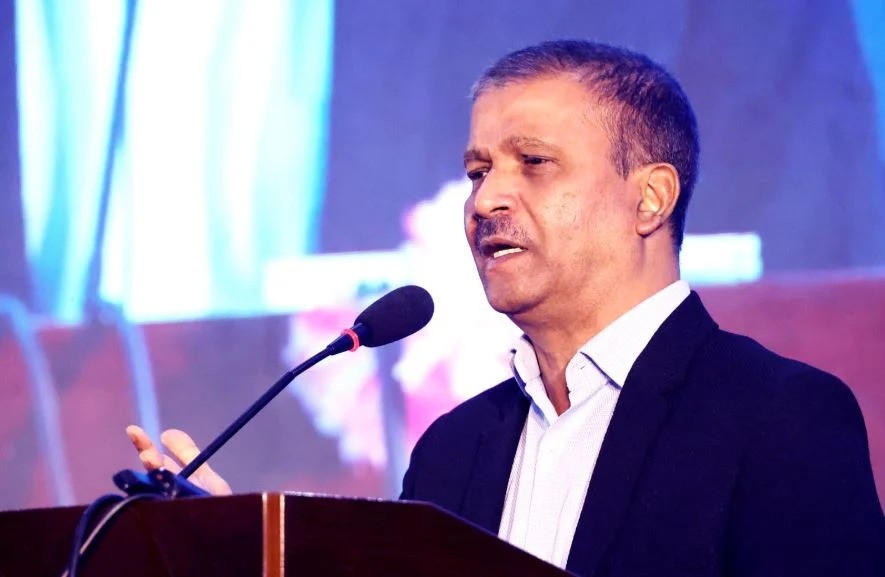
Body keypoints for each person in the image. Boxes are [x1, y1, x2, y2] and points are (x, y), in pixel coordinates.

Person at [128, 40, 885, 576]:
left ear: (650, 198)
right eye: (477, 170)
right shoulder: (453, 450)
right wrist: (233, 548)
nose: (486, 198)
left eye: (534, 163)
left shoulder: (779, 417)